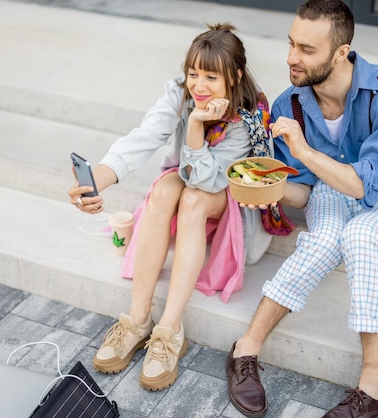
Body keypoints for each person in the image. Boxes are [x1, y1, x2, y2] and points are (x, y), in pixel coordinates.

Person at [225, 1, 378, 417]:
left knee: (362, 234)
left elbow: (367, 186)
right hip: (329, 192)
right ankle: (245, 351)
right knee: (322, 241)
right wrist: (266, 189)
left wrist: (302, 149)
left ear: (341, 52)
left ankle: (374, 385)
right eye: (291, 44)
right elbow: (303, 190)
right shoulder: (289, 104)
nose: (292, 58)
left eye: (307, 50)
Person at [68, 23, 271, 391]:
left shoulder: (247, 115)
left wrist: (196, 124)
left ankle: (169, 330)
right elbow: (144, 138)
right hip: (190, 172)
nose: (199, 85)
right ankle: (137, 320)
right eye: (193, 73)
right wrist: (95, 180)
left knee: (192, 200)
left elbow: (204, 180)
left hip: (223, 188)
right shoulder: (179, 93)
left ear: (235, 75)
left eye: (211, 76)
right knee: (163, 191)